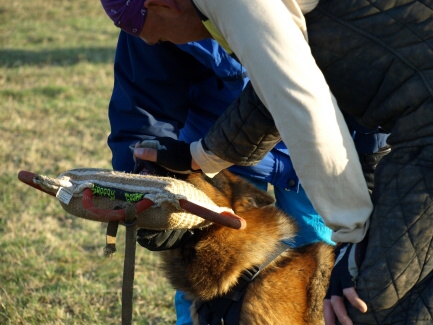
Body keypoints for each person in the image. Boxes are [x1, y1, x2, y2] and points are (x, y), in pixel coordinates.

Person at [97, 0, 433, 324]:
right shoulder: (184, 18)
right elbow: (269, 92)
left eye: (139, 28)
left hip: (332, 156)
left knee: (363, 294)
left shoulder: (230, 4)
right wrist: (172, 169)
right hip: (229, 161)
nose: (147, 40)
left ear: (161, 4)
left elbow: (301, 97)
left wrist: (354, 232)